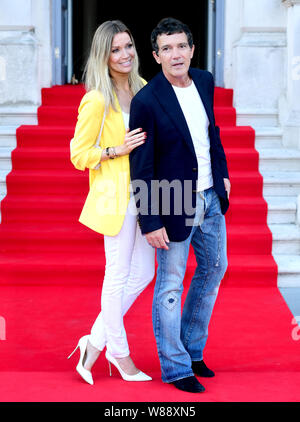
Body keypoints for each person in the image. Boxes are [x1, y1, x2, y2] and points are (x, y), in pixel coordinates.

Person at [129, 17, 230, 393]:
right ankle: (174, 366)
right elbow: (141, 166)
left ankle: (192, 348)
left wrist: (221, 176)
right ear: (156, 56)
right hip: (171, 196)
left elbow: (212, 133)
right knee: (170, 283)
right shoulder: (147, 101)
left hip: (208, 195)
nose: (176, 54)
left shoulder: (204, 81)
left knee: (214, 268)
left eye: (181, 46)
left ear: (191, 49)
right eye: (167, 48)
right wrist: (149, 220)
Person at [68, 20, 154, 384]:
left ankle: (94, 341)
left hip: (148, 193)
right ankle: (119, 354)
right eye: (115, 49)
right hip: (115, 197)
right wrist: (115, 150)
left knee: (145, 272)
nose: (124, 55)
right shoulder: (97, 99)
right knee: (117, 276)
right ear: (103, 56)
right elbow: (78, 154)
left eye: (128, 46)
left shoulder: (145, 89)